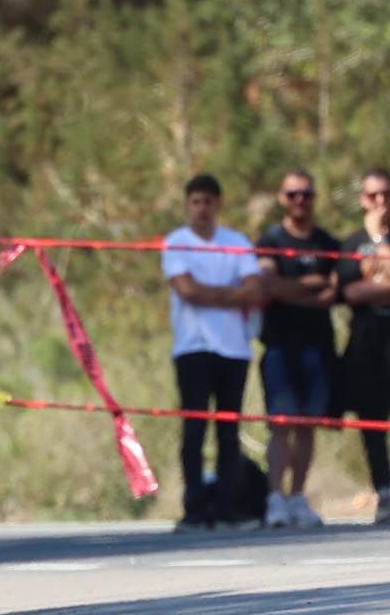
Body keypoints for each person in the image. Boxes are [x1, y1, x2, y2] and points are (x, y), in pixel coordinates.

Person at [164, 173, 265, 532]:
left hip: (233, 350)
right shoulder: (176, 242)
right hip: (193, 348)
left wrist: (214, 295)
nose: (202, 208)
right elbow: (187, 291)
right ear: (188, 205)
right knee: (194, 430)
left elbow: (254, 290)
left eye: (208, 201)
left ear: (218, 205)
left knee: (228, 432)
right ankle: (194, 509)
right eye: (196, 201)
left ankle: (227, 508)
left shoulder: (236, 242)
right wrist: (229, 293)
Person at [255, 167, 341, 528]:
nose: (299, 200)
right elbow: (269, 286)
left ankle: (297, 496)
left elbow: (333, 293)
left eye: (305, 193)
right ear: (282, 198)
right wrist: (311, 283)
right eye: (292, 194)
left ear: (314, 197)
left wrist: (296, 290)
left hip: (317, 346)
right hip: (279, 345)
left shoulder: (327, 242)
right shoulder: (271, 239)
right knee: (281, 423)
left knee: (307, 425)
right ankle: (275, 497)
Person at [338, 168, 390, 523]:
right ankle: (384, 492)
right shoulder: (352, 243)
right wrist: (373, 238)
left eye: (386, 195)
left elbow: (365, 286)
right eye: (373, 196)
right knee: (371, 422)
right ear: (362, 200)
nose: (381, 202)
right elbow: (349, 291)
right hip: (367, 344)